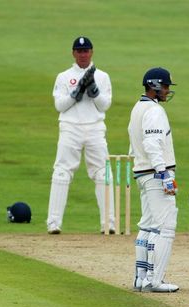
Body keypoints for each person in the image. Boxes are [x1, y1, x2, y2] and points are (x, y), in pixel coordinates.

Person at [46, 36, 115, 235]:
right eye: (79, 51)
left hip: (95, 127)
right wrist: (76, 92)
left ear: (92, 52)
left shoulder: (102, 77)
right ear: (73, 53)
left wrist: (93, 91)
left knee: (102, 173)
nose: (83, 54)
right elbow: (60, 106)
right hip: (70, 127)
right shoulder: (63, 77)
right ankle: (53, 223)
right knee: (62, 172)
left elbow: (105, 105)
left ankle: (108, 223)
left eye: (86, 51)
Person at [128, 67, 179, 293]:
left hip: (142, 173)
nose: (168, 91)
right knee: (165, 228)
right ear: (155, 85)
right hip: (156, 174)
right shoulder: (154, 111)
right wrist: (164, 174)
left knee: (148, 225)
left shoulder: (137, 108)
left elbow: (134, 146)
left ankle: (142, 277)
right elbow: (151, 144)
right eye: (166, 86)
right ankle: (155, 280)